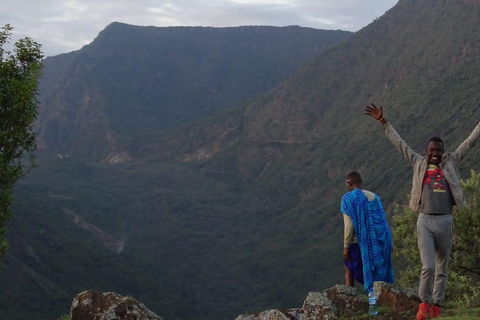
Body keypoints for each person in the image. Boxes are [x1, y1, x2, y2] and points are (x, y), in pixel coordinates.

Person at [365, 103, 480, 320]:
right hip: (425, 221)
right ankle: (423, 304)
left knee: (442, 268)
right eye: (431, 150)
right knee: (427, 266)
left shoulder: (452, 161)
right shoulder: (419, 163)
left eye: (438, 150)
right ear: (426, 152)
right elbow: (400, 144)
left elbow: (470, 140)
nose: (435, 153)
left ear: (443, 151)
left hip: (446, 221)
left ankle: (436, 306)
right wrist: (383, 122)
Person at [341, 171, 394, 292]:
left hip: (357, 243)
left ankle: (349, 297)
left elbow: (349, 226)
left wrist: (345, 247)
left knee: (349, 269)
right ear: (361, 182)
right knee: (377, 273)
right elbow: (383, 221)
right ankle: (378, 298)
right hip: (378, 241)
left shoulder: (348, 199)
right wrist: (389, 241)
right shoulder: (374, 197)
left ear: (349, 183)